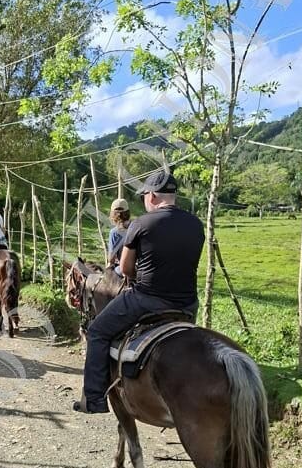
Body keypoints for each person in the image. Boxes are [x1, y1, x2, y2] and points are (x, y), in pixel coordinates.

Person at [73, 169, 204, 414]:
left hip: (146, 299)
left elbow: (125, 268)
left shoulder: (142, 224)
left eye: (145, 196)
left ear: (152, 196)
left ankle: (94, 399)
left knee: (97, 332)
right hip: (187, 305)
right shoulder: (196, 224)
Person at [107, 197, 131, 277]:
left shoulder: (114, 232)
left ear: (113, 214)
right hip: (141, 267)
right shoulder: (136, 226)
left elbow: (111, 259)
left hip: (124, 269)